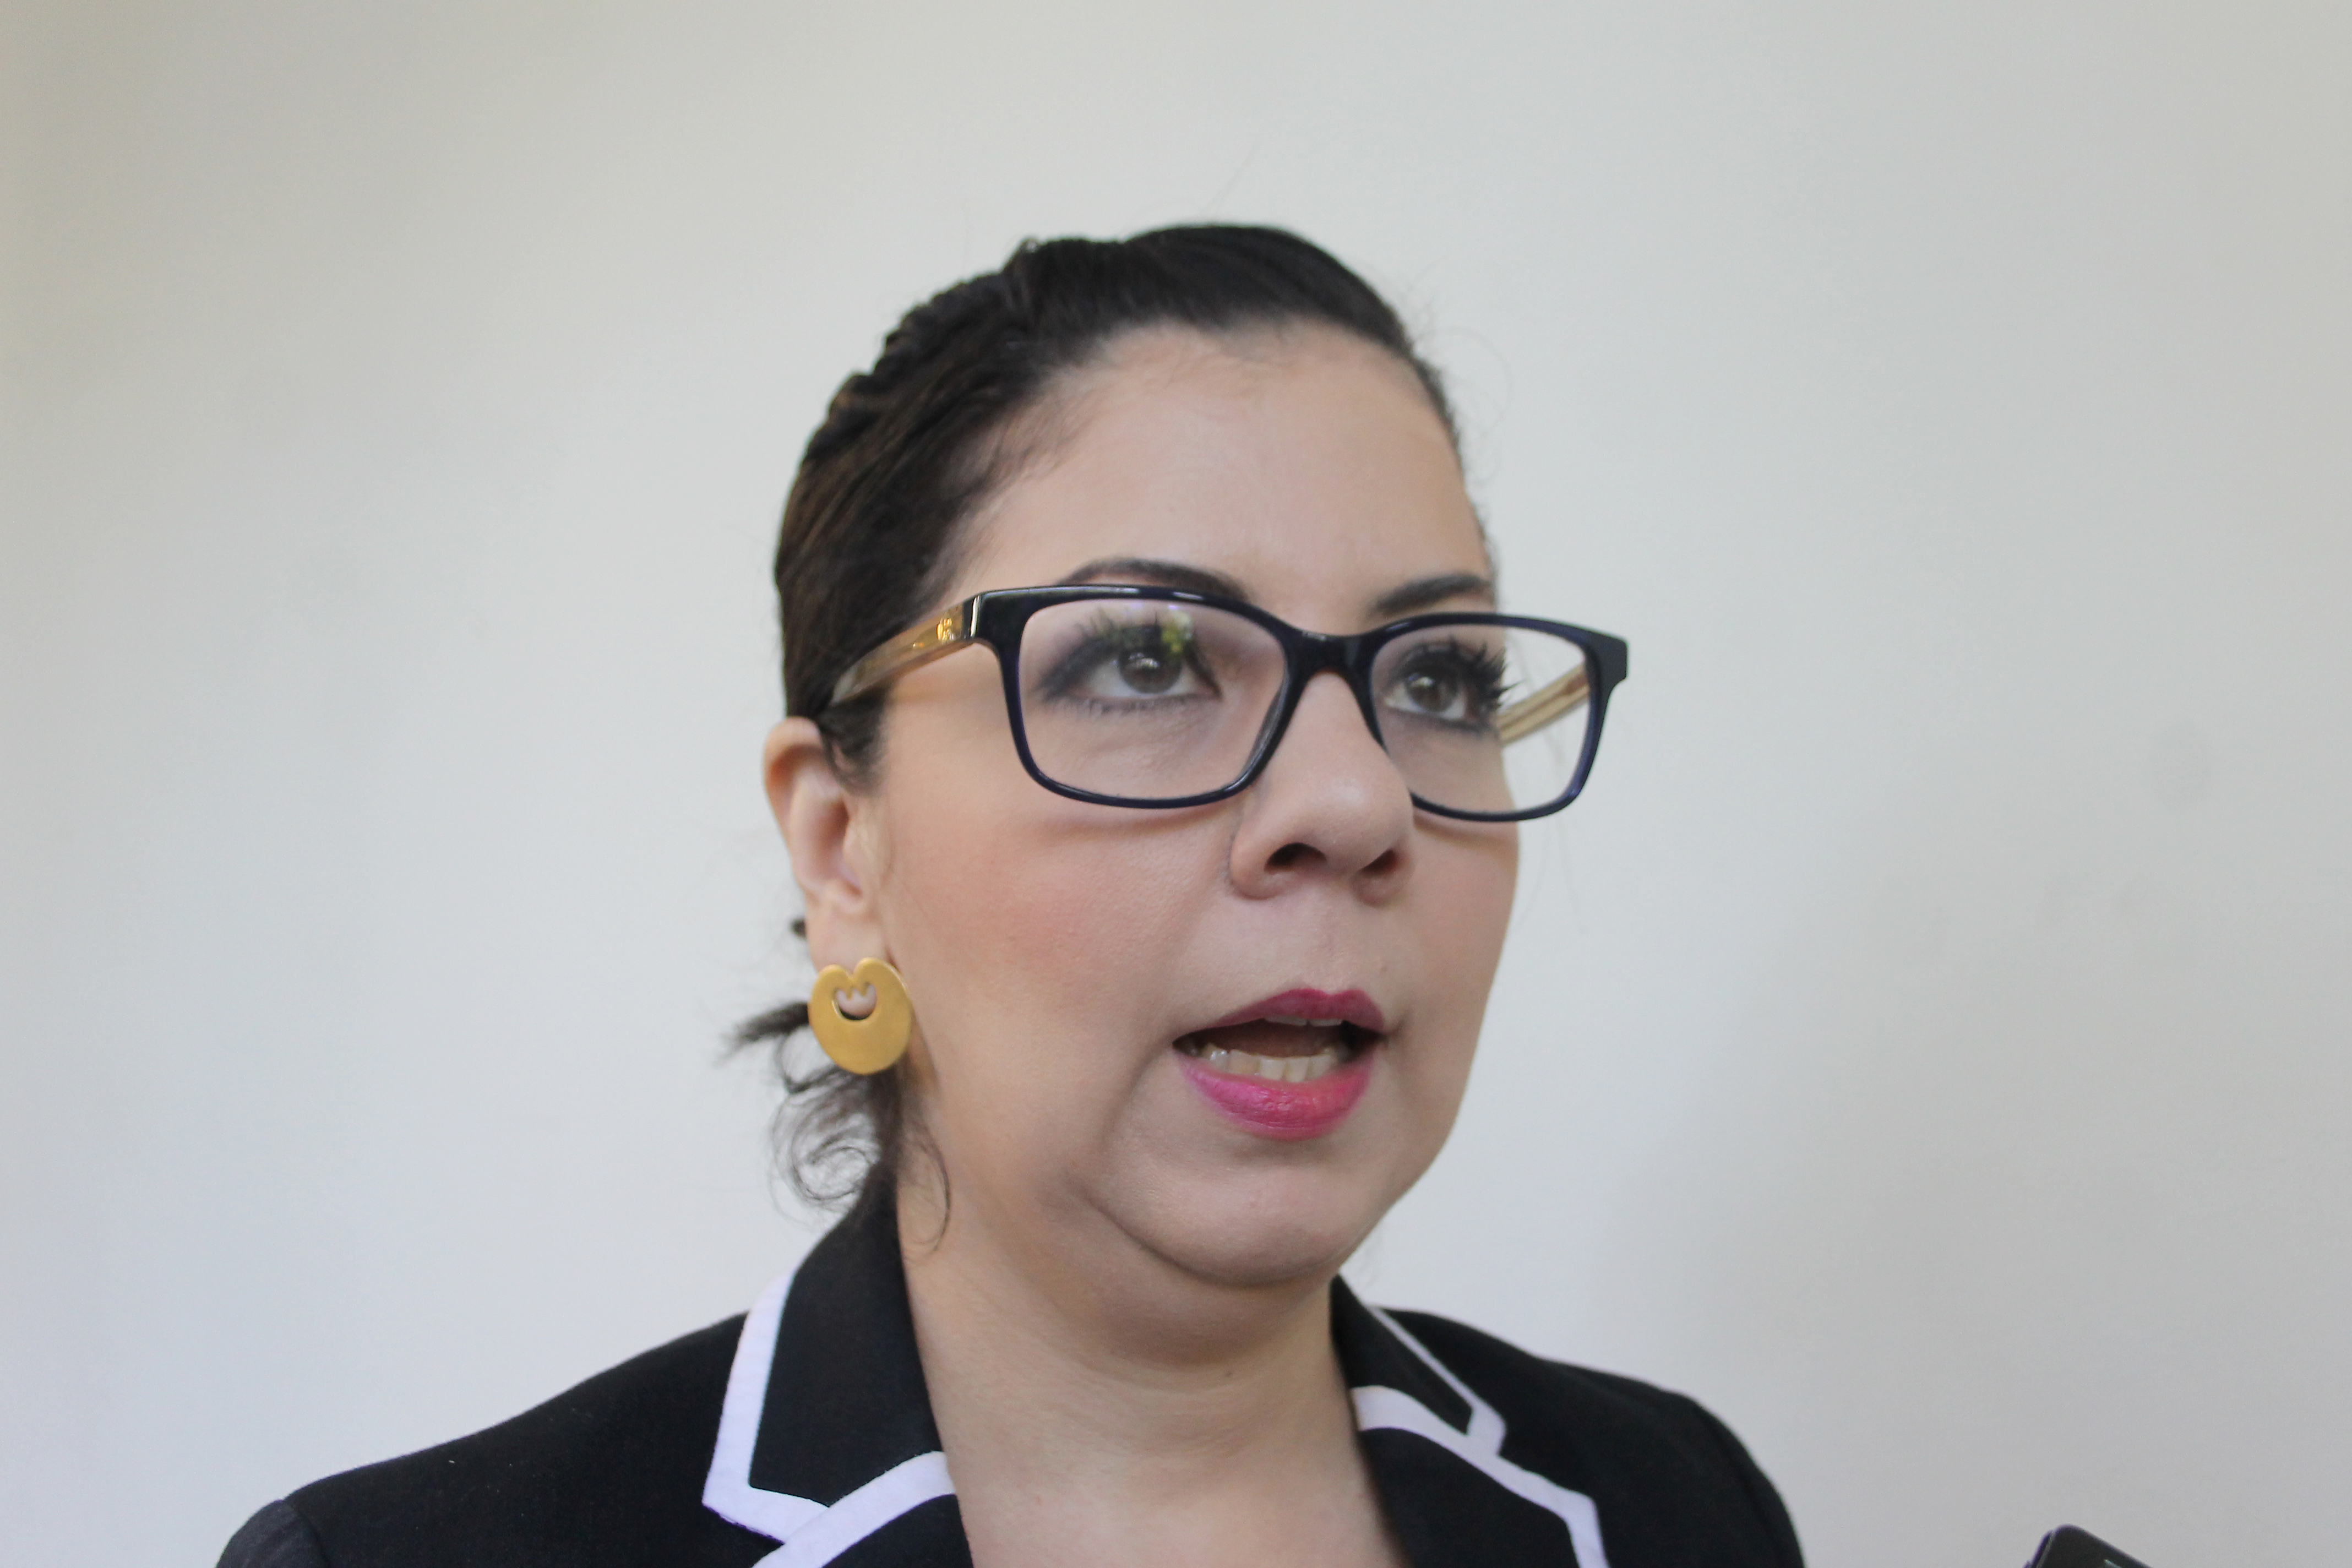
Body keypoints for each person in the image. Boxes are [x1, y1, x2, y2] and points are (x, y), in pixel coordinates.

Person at [219, 225, 1801, 1568]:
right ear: (844, 847)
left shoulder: (1678, 1509)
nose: (1356, 802)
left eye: (1441, 677)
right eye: (1149, 661)